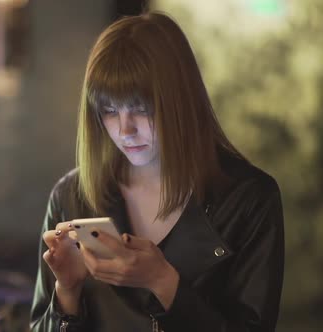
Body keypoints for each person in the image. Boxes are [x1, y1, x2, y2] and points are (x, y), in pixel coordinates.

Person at [30, 11, 284, 332]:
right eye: (109, 111)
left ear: (180, 101)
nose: (125, 130)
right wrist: (67, 290)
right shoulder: (71, 195)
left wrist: (165, 284)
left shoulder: (248, 200)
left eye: (140, 108)